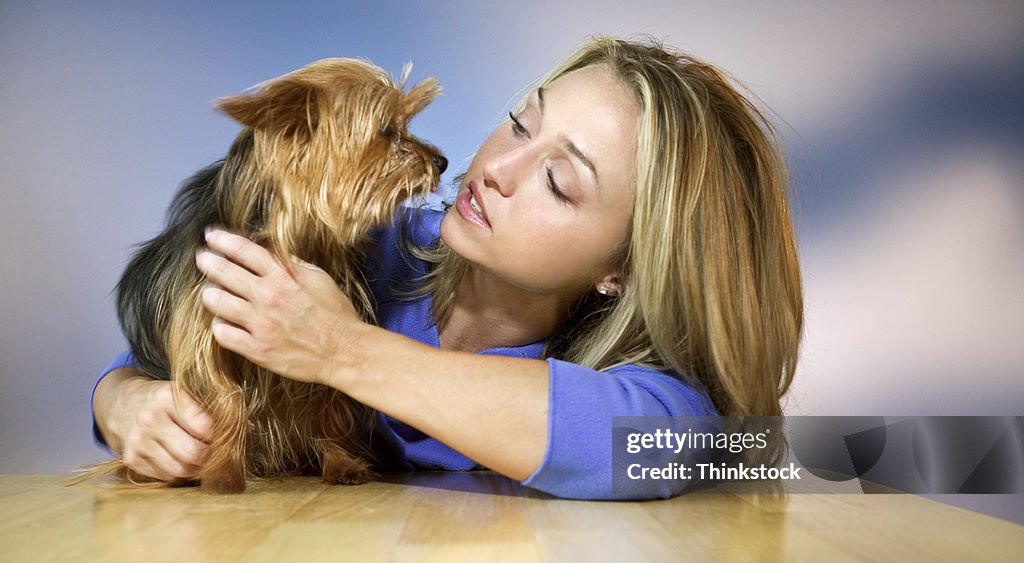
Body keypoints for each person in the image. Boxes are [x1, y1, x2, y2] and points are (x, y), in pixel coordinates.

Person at [91, 36, 803, 500]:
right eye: (521, 123)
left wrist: (344, 350)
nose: (495, 167)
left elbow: (706, 445)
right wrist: (121, 402)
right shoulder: (370, 240)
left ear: (625, 270)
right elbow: (160, 342)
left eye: (559, 181)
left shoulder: (649, 389)